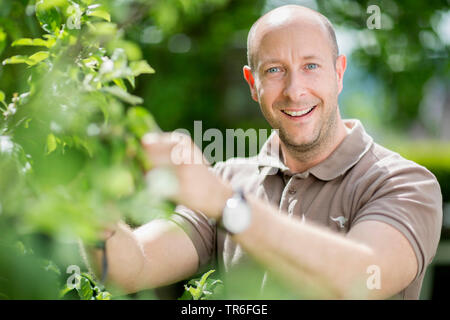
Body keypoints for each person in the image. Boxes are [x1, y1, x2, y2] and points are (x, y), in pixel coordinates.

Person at [88, 5, 442, 299]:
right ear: (252, 84)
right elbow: (129, 269)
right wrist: (89, 201)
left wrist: (228, 205)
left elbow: (361, 280)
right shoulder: (228, 178)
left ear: (339, 72)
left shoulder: (403, 183)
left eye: (311, 66)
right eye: (274, 71)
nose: (294, 90)